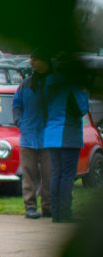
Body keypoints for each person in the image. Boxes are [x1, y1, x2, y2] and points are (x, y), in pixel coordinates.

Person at [42, 60, 89, 223]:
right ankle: (66, 213)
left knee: (56, 174)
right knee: (67, 176)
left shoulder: (48, 83)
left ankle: (56, 214)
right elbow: (81, 109)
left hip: (50, 135)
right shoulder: (71, 86)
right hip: (68, 135)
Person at [12, 53, 51, 219]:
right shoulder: (25, 84)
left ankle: (48, 206)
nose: (32, 62)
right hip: (28, 137)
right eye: (32, 59)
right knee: (29, 174)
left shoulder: (54, 82)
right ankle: (30, 207)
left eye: (36, 59)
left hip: (49, 138)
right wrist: (20, 122)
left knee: (49, 174)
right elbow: (16, 105)